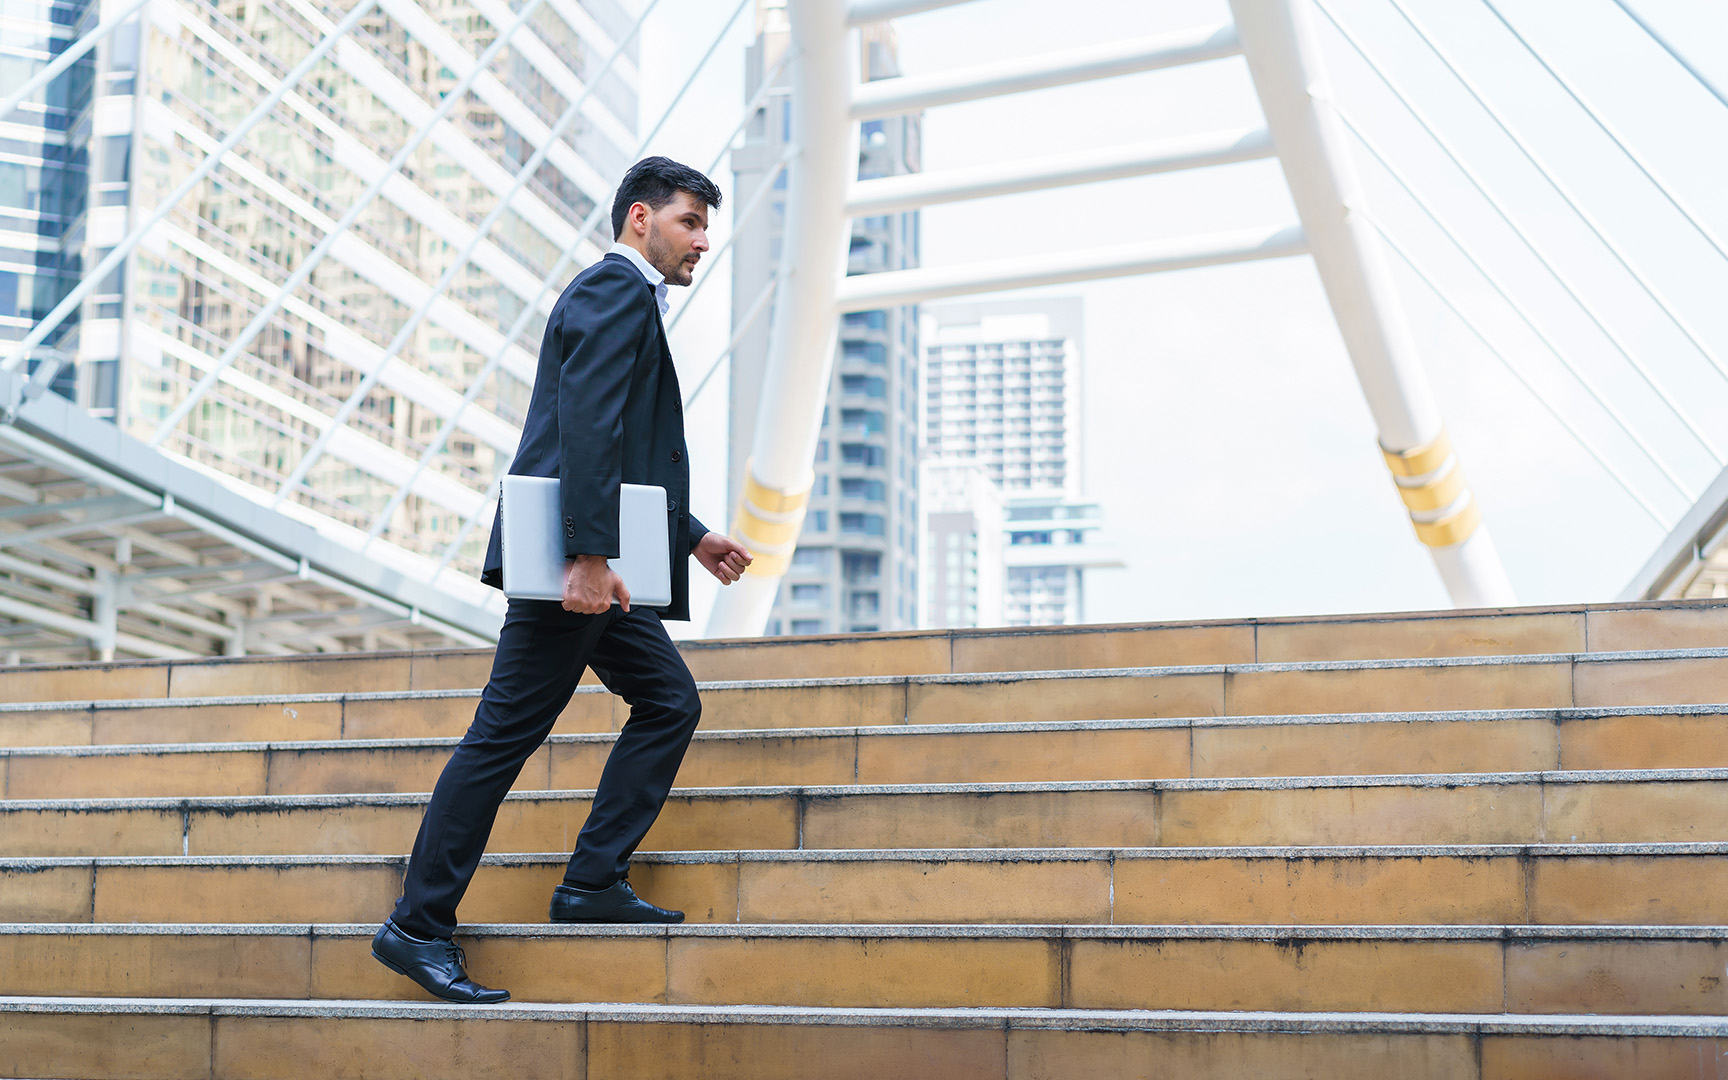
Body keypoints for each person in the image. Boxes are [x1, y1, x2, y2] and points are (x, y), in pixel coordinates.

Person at [371, 157, 753, 1004]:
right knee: (499, 741)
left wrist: (688, 538)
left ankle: (591, 883)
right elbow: (584, 426)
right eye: (691, 223)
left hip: (599, 565)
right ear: (641, 219)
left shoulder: (622, 298)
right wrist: (584, 556)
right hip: (578, 569)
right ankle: (417, 926)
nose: (702, 243)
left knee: (669, 702)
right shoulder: (614, 291)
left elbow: (615, 447)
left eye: (706, 228)